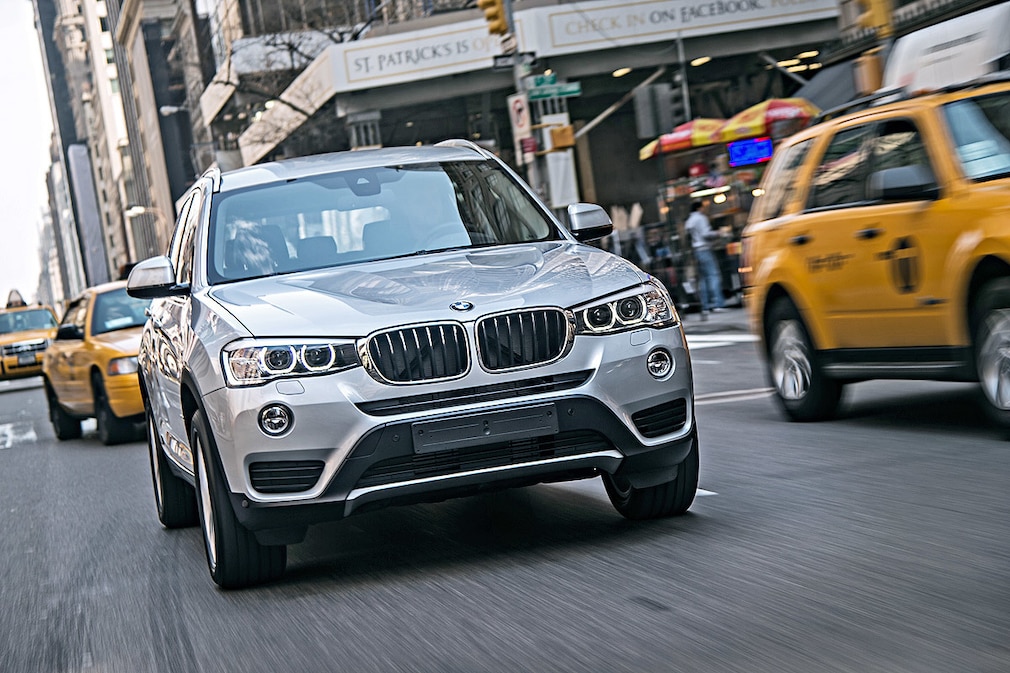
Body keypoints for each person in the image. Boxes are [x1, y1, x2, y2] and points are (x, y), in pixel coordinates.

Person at [684, 199, 725, 318]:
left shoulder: (689, 221)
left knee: (703, 279)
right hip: (705, 249)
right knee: (713, 275)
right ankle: (718, 304)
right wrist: (718, 233)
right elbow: (706, 234)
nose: (704, 209)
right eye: (703, 207)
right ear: (699, 208)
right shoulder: (701, 218)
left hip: (696, 251)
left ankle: (705, 306)